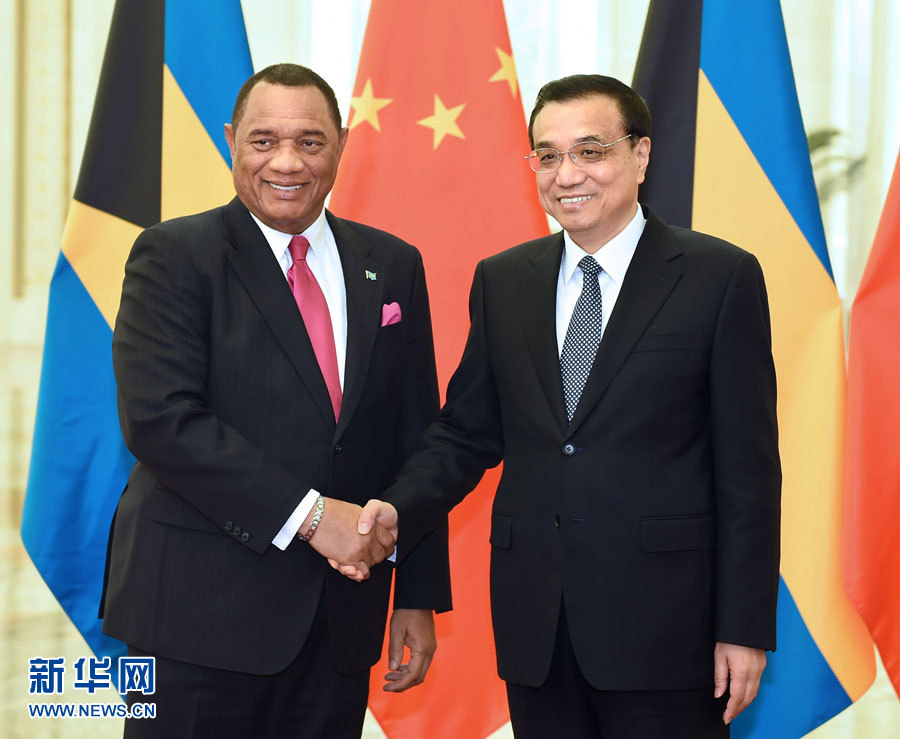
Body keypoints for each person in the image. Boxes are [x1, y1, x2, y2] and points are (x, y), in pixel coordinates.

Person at [349, 74, 781, 738]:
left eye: (590, 151)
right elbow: (466, 432)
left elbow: (748, 471)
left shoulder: (720, 277)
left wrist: (743, 626)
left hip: (669, 630)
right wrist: (397, 507)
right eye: (547, 155)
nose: (566, 173)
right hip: (538, 627)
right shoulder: (503, 280)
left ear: (640, 154)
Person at [100, 63, 451, 738]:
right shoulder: (173, 254)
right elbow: (161, 421)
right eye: (264, 141)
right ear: (232, 140)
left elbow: (416, 434)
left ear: (342, 145)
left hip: (341, 622)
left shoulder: (392, 263)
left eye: (310, 142)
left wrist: (416, 590)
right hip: (199, 620)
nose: (286, 162)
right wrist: (314, 517)